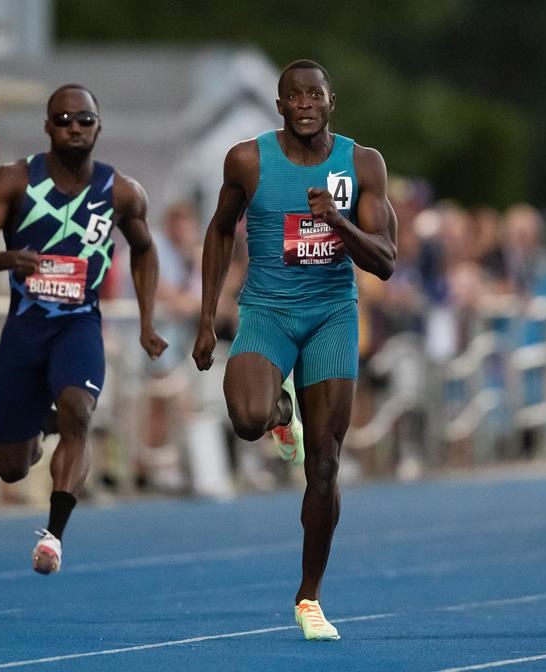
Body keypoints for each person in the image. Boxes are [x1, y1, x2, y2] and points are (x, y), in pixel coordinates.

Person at [192, 59, 396, 640]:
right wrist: (208, 319)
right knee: (247, 419)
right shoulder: (248, 160)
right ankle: (281, 413)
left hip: (332, 315)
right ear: (279, 106)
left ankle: (309, 596)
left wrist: (337, 222)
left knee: (325, 466)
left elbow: (383, 260)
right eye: (293, 96)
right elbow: (220, 230)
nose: (305, 104)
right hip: (266, 312)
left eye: (315, 94)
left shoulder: (362, 164)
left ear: (333, 102)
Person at [0, 84, 167, 574]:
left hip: (79, 324)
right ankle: (45, 422)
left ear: (98, 127)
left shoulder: (122, 192)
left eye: (85, 120)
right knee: (12, 466)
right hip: (25, 328)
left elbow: (144, 249)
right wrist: (11, 258)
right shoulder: (14, 181)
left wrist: (146, 320)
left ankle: (53, 534)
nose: (74, 127)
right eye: (64, 119)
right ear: (48, 126)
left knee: (80, 407)